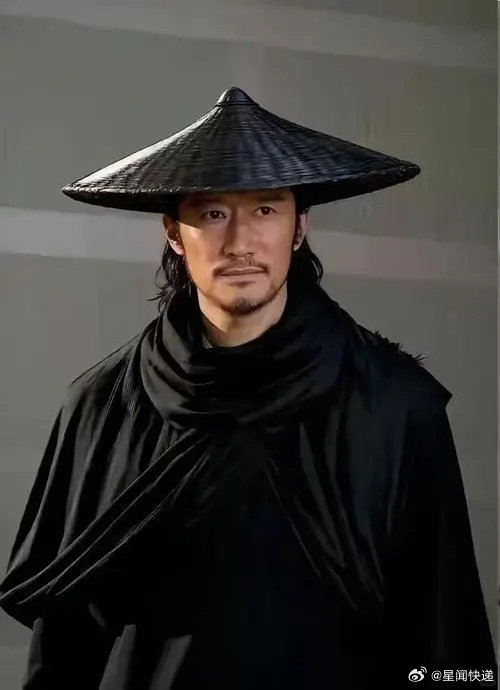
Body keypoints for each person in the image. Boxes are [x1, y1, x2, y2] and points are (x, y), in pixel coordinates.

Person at [0, 87, 495, 689]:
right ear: (173, 233)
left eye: (265, 210)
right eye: (213, 214)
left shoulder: (395, 404)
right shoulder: (103, 407)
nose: (240, 242)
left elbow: (446, 634)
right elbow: (62, 646)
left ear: (298, 228)